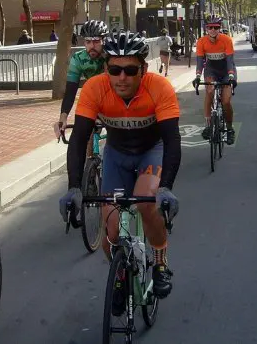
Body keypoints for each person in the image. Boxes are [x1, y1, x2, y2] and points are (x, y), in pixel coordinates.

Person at [58, 30, 181, 309]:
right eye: (115, 69)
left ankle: (160, 261)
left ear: (144, 69)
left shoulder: (159, 87)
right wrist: (74, 187)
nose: (121, 77)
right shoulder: (95, 88)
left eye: (129, 70)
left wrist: (166, 188)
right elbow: (79, 139)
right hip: (116, 155)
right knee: (111, 235)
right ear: (106, 69)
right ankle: (121, 273)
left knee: (145, 202)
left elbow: (173, 140)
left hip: (152, 151)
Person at [54, 20, 108, 140]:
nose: (92, 46)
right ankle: (89, 156)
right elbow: (70, 91)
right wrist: (63, 117)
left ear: (104, 41)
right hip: (94, 98)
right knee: (82, 136)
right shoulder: (78, 58)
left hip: (114, 97)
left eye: (96, 42)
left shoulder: (111, 55)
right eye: (88, 42)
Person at [193, 16, 237, 145]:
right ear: (206, 28)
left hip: (226, 71)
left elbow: (230, 61)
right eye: (210, 27)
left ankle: (229, 129)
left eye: (216, 27)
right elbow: (200, 61)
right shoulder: (201, 41)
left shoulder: (226, 40)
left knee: (226, 101)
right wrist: (197, 76)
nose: (213, 30)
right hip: (211, 70)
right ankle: (208, 126)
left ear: (220, 28)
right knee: (210, 92)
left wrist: (230, 76)